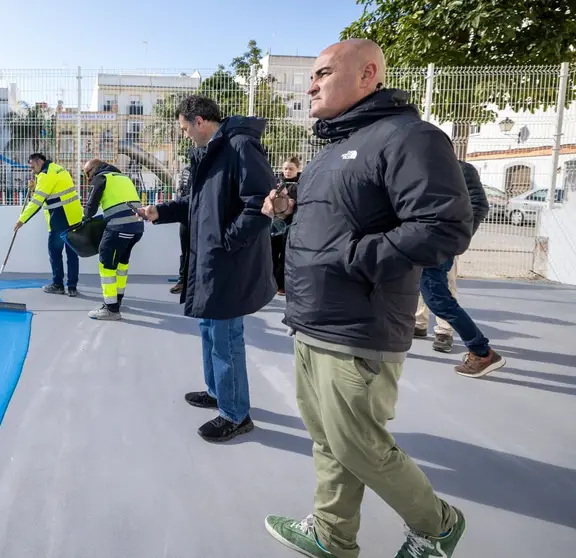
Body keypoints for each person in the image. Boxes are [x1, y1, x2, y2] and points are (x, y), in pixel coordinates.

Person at [261, 39, 472, 557]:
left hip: (359, 326)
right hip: (313, 319)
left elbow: (444, 225)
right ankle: (333, 536)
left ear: (368, 73)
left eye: (323, 73)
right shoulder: (334, 148)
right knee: (328, 439)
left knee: (360, 445)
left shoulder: (409, 137)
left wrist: (355, 255)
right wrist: (288, 212)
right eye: (311, 76)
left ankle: (438, 526)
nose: (310, 85)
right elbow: (339, 222)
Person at [137, 94, 277, 442]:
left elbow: (261, 204)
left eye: (185, 129)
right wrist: (162, 212)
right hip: (210, 262)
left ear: (199, 121)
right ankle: (218, 393)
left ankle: (235, 414)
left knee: (225, 338)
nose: (184, 135)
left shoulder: (241, 146)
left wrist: (227, 241)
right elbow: (196, 203)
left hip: (227, 262)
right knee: (209, 330)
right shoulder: (210, 152)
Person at [419, 160, 506, 377]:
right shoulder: (418, 166)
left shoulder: (460, 168)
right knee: (429, 295)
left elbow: (479, 205)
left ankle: (481, 352)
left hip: (438, 246)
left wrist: (456, 240)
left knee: (440, 299)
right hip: (419, 243)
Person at [81, 159, 145, 320]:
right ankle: (117, 302)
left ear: (94, 168)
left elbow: (91, 207)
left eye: (87, 173)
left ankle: (111, 309)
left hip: (119, 228)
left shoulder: (101, 178)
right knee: (121, 264)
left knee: (106, 263)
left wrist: (84, 218)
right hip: (136, 228)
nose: (88, 178)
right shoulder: (123, 178)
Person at [15, 153, 83, 297]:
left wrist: (21, 220)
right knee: (72, 253)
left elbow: (37, 202)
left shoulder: (45, 175)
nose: (32, 170)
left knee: (55, 252)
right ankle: (72, 287)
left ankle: (58, 285)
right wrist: (35, 186)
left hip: (60, 218)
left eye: (33, 166)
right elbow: (53, 191)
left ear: (39, 161)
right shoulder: (59, 168)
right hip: (74, 216)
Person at [171, 147, 204, 296]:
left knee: (201, 249)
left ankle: (198, 281)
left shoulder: (209, 171)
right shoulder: (186, 171)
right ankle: (183, 280)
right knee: (185, 248)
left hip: (204, 216)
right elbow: (182, 192)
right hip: (186, 215)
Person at [270, 156, 302, 295]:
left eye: (291, 169)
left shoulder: (301, 184)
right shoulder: (277, 182)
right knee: (271, 252)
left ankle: (281, 285)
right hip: (275, 222)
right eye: (285, 168)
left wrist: (288, 195)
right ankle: (270, 282)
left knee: (285, 254)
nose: (287, 171)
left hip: (291, 223)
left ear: (298, 169)